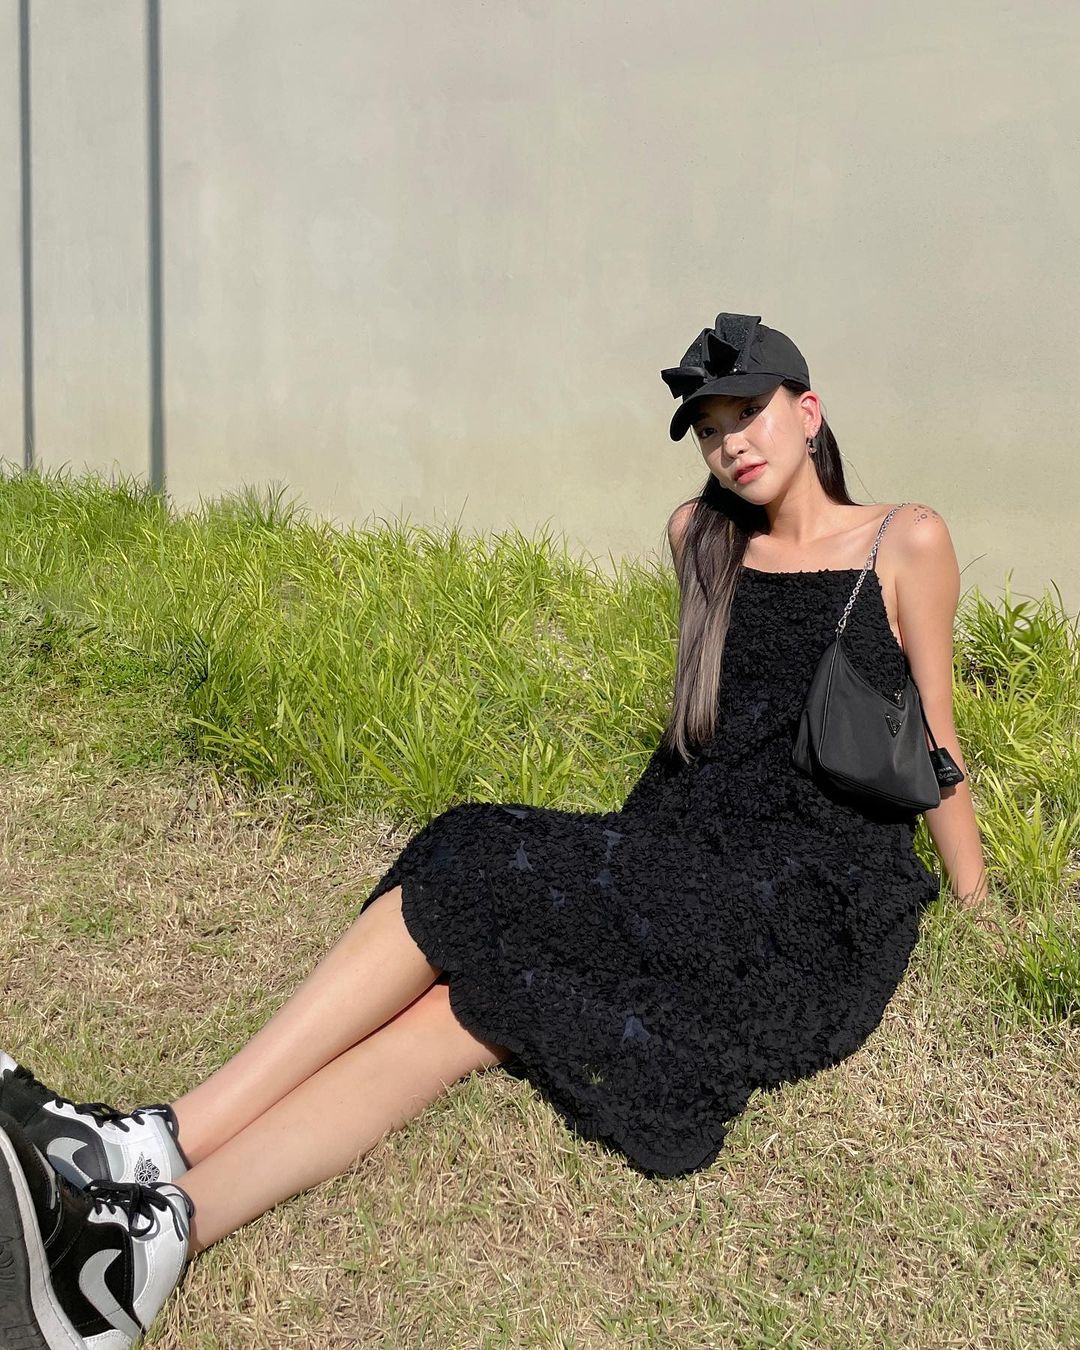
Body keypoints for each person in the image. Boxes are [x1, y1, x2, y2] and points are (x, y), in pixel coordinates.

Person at [0, 312, 991, 1348]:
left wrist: (971, 897)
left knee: (473, 849)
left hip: (803, 893)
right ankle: (153, 1231)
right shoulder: (701, 540)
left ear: (808, 412)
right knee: (462, 1001)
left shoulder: (905, 538)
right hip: (683, 847)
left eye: (749, 414)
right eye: (710, 429)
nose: (731, 443)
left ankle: (149, 1150)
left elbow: (934, 733)